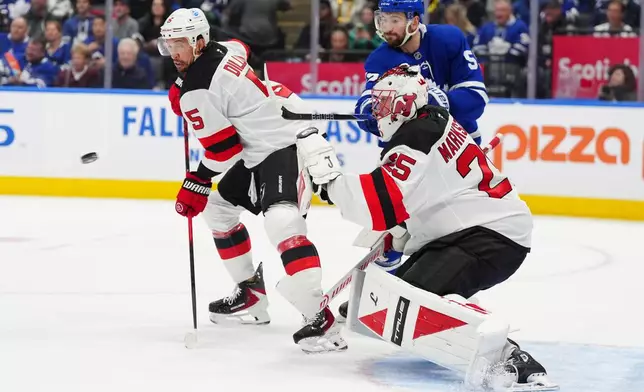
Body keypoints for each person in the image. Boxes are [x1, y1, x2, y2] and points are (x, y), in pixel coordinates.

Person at [295, 65, 557, 391]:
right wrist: (404, 226)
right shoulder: (431, 118)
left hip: (490, 236)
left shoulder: (414, 139)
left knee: (406, 306)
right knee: (389, 303)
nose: (378, 110)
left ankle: (511, 358)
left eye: (384, 103)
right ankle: (445, 303)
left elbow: (379, 203)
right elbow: (428, 191)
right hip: (474, 229)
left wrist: (330, 182)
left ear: (404, 105)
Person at [159, 7, 346, 353]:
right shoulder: (223, 49)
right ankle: (252, 293)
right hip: (257, 148)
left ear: (200, 42)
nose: (174, 54)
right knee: (218, 212)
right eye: (168, 46)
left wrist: (196, 182)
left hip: (283, 143)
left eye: (180, 45)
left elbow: (224, 149)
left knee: (282, 221)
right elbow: (241, 47)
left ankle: (321, 319)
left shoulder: (196, 92)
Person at [354, 0, 488, 145]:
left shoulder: (448, 40)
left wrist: (435, 102)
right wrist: (376, 115)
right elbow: (365, 107)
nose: (387, 28)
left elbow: (476, 98)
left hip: (456, 146)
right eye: (384, 20)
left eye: (394, 20)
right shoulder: (379, 59)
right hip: (405, 151)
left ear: (414, 22)